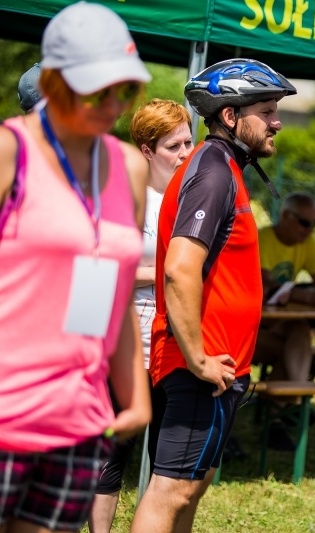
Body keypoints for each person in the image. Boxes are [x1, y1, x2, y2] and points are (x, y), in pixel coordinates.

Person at [0, 2, 152, 531]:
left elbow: (104, 290)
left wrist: (132, 394)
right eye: (96, 88)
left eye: (124, 90)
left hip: (74, 421)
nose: (112, 104)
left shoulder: (126, 168)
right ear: (52, 79)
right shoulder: (9, 152)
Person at [130, 58, 296, 533]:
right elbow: (180, 269)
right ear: (230, 116)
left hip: (219, 366)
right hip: (198, 367)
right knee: (171, 490)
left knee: (191, 486)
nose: (276, 121)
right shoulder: (213, 172)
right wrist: (199, 359)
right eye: (266, 110)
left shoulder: (223, 166)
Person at [88, 99, 193, 532]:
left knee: (173, 462)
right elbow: (100, 269)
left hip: (177, 343)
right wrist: (167, 272)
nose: (187, 152)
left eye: (190, 141)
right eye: (174, 145)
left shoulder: (193, 194)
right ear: (147, 150)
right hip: (127, 341)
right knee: (112, 456)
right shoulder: (124, 196)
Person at [255, 191, 315, 450]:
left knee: (298, 331)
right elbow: (264, 287)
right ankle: (287, 409)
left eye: (314, 224)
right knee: (294, 344)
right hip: (252, 330)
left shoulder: (307, 243)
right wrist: (303, 294)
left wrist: (295, 293)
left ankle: (286, 407)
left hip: (278, 325)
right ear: (286, 216)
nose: (309, 230)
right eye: (305, 223)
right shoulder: (263, 238)